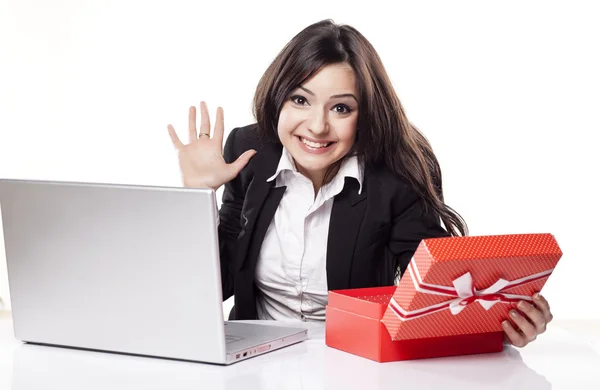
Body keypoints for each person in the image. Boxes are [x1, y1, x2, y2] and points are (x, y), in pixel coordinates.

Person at [167, 19, 552, 348]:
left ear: (364, 114)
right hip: (251, 359)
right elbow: (211, 287)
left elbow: (437, 292)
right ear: (277, 98)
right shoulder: (247, 152)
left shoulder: (396, 175)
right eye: (300, 100)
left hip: (354, 361)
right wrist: (197, 197)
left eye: (340, 108)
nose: (317, 126)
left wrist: (500, 326)